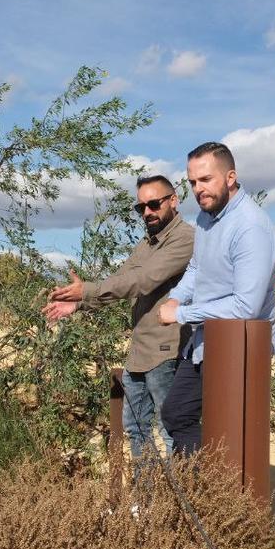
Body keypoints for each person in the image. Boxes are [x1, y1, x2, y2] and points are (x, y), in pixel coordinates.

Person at [43, 174, 195, 468]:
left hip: (166, 351)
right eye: (141, 208)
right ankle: (145, 502)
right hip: (140, 352)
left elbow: (143, 280)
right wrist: (80, 303)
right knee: (136, 431)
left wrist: (87, 290)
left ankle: (180, 503)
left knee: (170, 431)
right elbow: (122, 280)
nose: (147, 212)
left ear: (173, 201)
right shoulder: (147, 243)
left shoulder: (184, 238)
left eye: (154, 204)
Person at [157, 141, 275, 455]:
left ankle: (215, 498)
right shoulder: (206, 218)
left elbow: (246, 305)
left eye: (206, 179)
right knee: (177, 413)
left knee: (230, 432)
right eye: (193, 182)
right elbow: (198, 268)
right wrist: (176, 299)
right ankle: (199, 494)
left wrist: (182, 315)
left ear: (230, 177)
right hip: (206, 341)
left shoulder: (250, 227)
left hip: (240, 347)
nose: (199, 189)